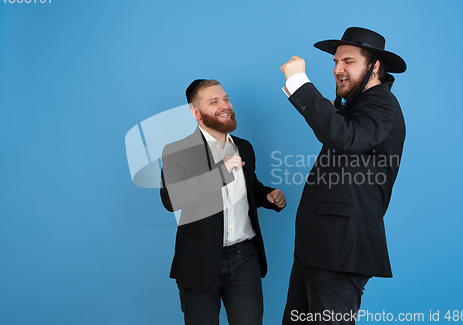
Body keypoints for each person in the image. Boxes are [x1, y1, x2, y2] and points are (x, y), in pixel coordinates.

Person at [279, 27, 407, 324]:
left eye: (348, 61)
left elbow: (345, 138)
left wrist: (299, 83)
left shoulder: (380, 101)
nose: (338, 69)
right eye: (335, 62)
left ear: (374, 66)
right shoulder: (361, 106)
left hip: (339, 250)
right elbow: (340, 133)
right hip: (319, 248)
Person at [160, 79, 286, 325]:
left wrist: (268, 196)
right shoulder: (177, 151)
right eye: (214, 101)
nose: (224, 105)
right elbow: (172, 199)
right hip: (198, 262)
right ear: (196, 113)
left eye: (226, 98)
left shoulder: (245, 148)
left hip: (245, 259)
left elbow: (250, 188)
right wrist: (220, 173)